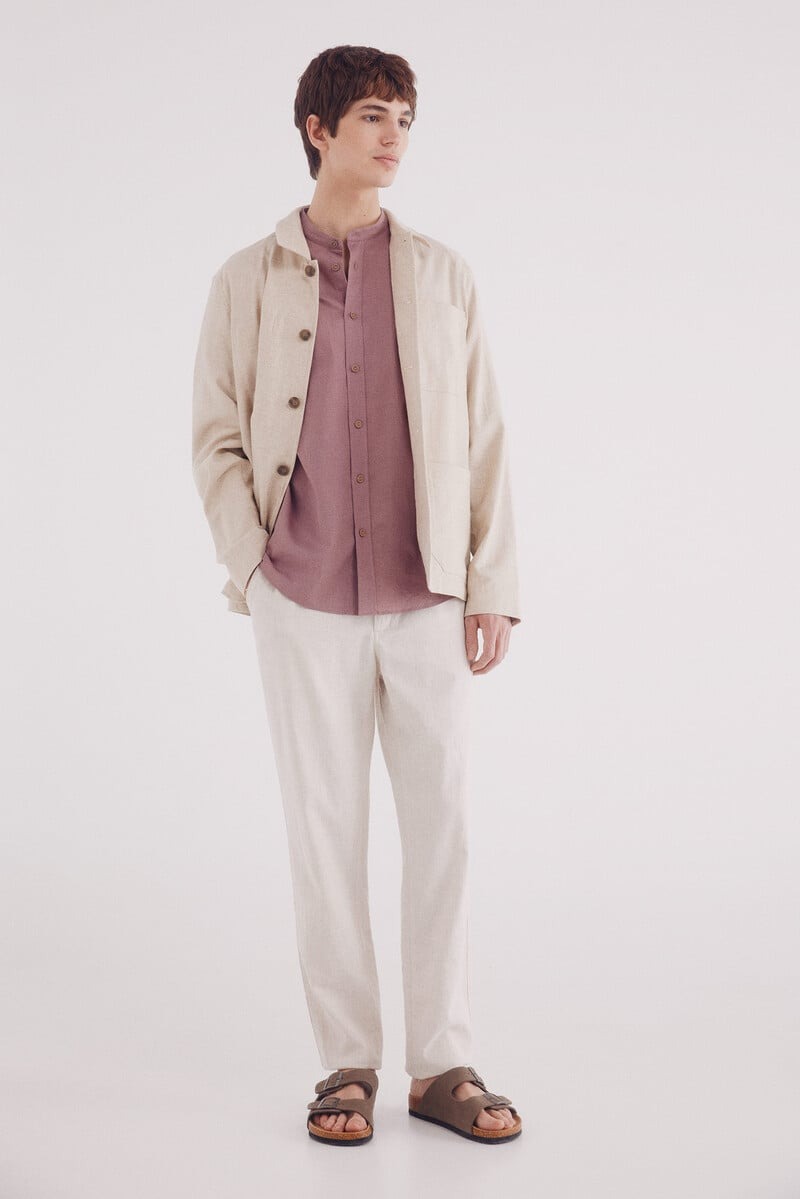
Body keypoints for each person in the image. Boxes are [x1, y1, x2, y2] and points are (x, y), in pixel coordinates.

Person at [192, 44, 523, 1146]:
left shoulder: (441, 272)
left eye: (405, 119)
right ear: (317, 129)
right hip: (300, 593)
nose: (394, 137)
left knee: (444, 832)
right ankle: (346, 1061)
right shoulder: (247, 277)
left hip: (427, 593)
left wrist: (491, 582)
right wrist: (253, 564)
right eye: (374, 115)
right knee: (322, 832)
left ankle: (443, 1063)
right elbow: (216, 434)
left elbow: (483, 434)